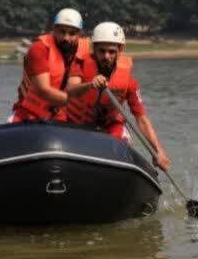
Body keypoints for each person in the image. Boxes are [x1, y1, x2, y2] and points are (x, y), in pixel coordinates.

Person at [66, 22, 171, 170]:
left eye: (111, 51)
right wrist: (90, 84)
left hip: (110, 127)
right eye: (101, 51)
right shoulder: (80, 65)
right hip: (77, 126)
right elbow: (71, 90)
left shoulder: (129, 81)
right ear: (94, 49)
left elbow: (141, 119)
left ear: (119, 50)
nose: (106, 56)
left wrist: (158, 150)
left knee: (119, 140)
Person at [9, 8, 96, 123]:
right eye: (62, 31)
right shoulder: (39, 48)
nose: (66, 38)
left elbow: (75, 85)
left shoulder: (82, 51)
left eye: (72, 33)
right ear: (54, 30)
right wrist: (75, 103)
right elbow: (43, 90)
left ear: (79, 34)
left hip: (60, 117)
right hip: (27, 115)